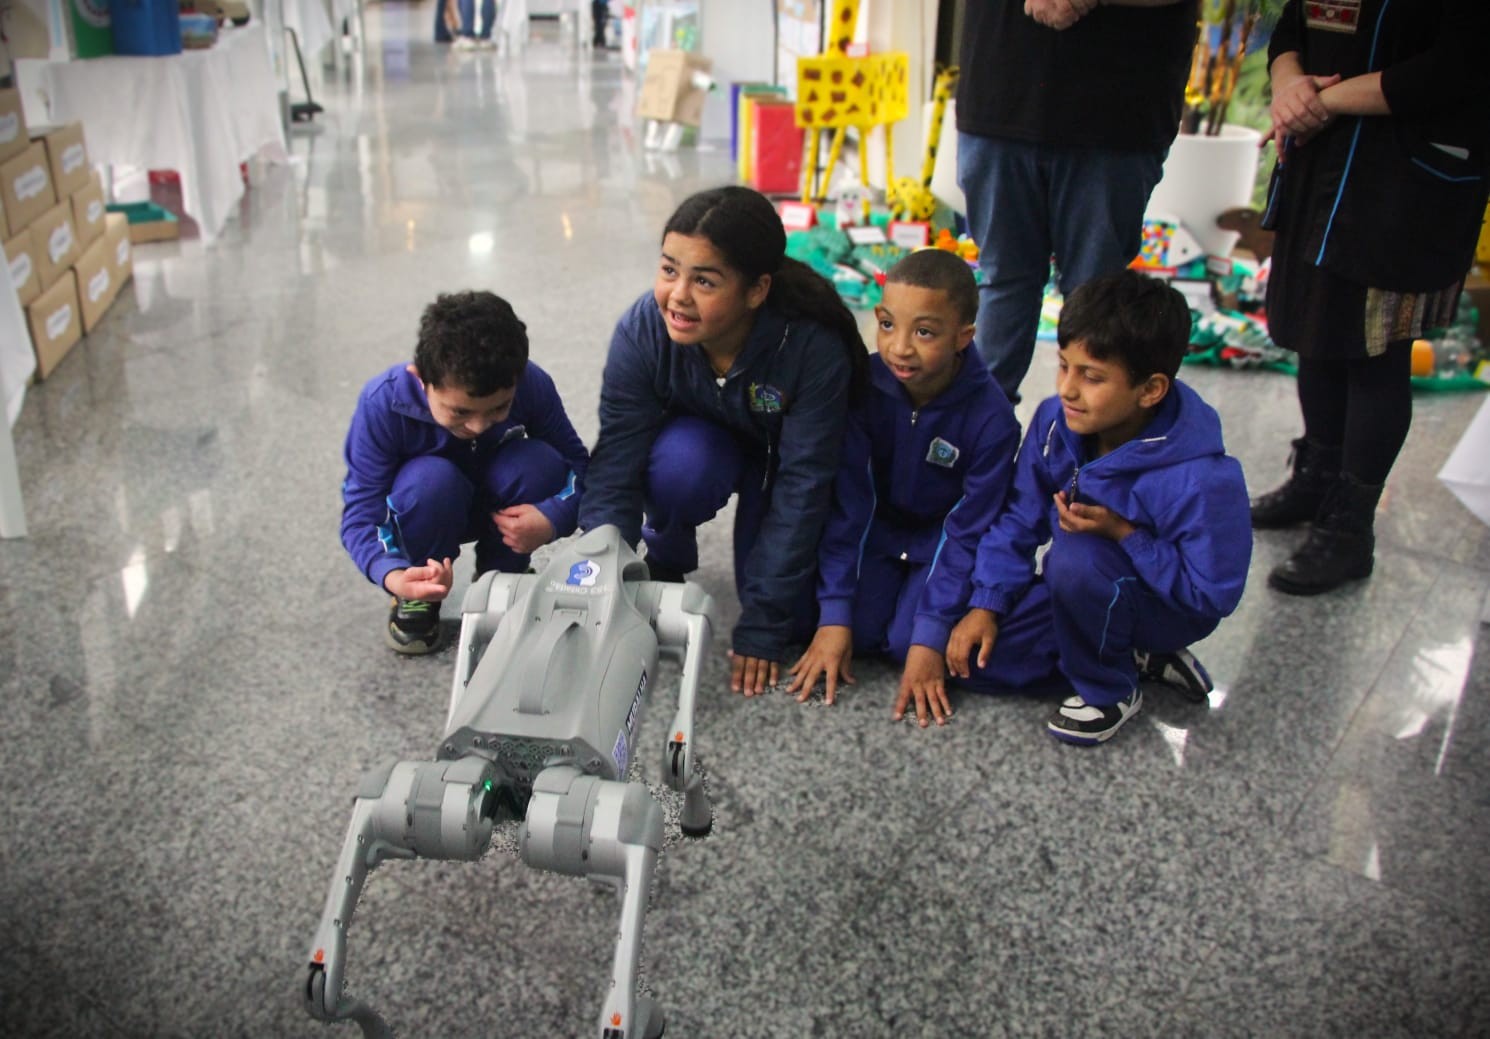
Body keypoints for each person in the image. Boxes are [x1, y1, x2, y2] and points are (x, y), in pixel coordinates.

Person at [579, 185, 867, 695]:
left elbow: (804, 484)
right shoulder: (644, 330)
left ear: (756, 290)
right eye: (669, 270)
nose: (678, 295)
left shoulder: (811, 347)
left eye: (704, 281)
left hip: (780, 462)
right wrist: (598, 581)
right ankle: (668, 555)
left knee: (795, 622)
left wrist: (765, 620)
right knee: (681, 466)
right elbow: (617, 457)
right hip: (703, 446)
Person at [946, 270, 1251, 745]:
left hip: (1165, 606)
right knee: (976, 663)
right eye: (1064, 365)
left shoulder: (1203, 479)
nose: (1068, 389)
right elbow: (1020, 516)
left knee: (1077, 557)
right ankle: (1136, 654)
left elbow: (1211, 596)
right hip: (1082, 591)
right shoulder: (1056, 421)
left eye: (1091, 376)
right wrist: (987, 602)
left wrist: (1125, 535)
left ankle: (1110, 688)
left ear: (1150, 390)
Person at [1249, 0, 1490, 596]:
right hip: (1319, 165)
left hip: (1406, 180)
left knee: (1375, 353)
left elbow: (1457, 66)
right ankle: (1315, 479)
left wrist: (1324, 101)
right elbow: (1291, 27)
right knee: (1314, 332)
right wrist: (1290, 87)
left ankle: (1350, 529)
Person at [786, 250, 1020, 728]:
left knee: (906, 644)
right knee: (847, 630)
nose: (899, 348)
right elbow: (849, 503)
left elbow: (967, 530)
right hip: (876, 534)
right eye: (888, 325)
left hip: (940, 545)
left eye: (925, 332)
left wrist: (931, 635)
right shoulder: (862, 386)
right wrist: (835, 613)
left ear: (964, 337)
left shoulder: (993, 420)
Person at [954, 0, 1198, 401]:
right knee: (1003, 280)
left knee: (1096, 297)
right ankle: (980, 430)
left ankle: (1086, 438)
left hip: (1119, 108)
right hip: (1000, 91)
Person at [341, 290, 587, 654]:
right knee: (430, 480)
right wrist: (393, 574)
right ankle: (419, 592)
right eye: (459, 411)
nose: (478, 426)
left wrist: (553, 517)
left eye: (499, 408)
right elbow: (362, 511)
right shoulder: (382, 403)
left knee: (538, 463)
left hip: (500, 501)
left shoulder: (532, 384)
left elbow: (581, 468)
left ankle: (503, 575)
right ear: (420, 378)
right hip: (427, 506)